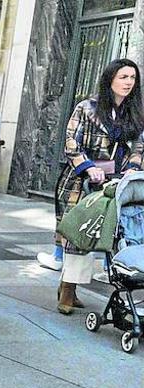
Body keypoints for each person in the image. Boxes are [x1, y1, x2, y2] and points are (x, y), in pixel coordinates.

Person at [41, 58, 144, 313]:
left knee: (107, 234)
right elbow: (70, 142)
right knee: (79, 234)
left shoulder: (135, 113)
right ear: (110, 79)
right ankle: (68, 288)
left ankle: (73, 284)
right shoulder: (87, 108)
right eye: (123, 77)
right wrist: (89, 167)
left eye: (132, 78)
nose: (128, 82)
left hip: (115, 183)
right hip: (80, 181)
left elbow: (139, 146)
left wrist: (132, 167)